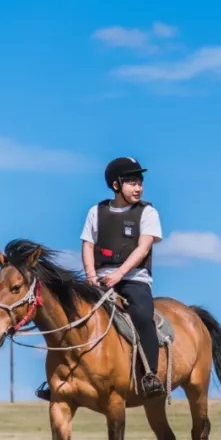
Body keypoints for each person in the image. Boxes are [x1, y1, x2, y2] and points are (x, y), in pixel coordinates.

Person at [35, 156, 165, 401]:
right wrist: (92, 276)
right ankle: (57, 379)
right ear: (116, 185)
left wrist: (119, 274)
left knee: (142, 316)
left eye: (140, 182)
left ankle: (150, 374)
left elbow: (143, 248)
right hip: (99, 279)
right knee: (69, 315)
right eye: (131, 182)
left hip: (134, 279)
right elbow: (87, 246)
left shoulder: (148, 212)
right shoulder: (96, 212)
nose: (138, 187)